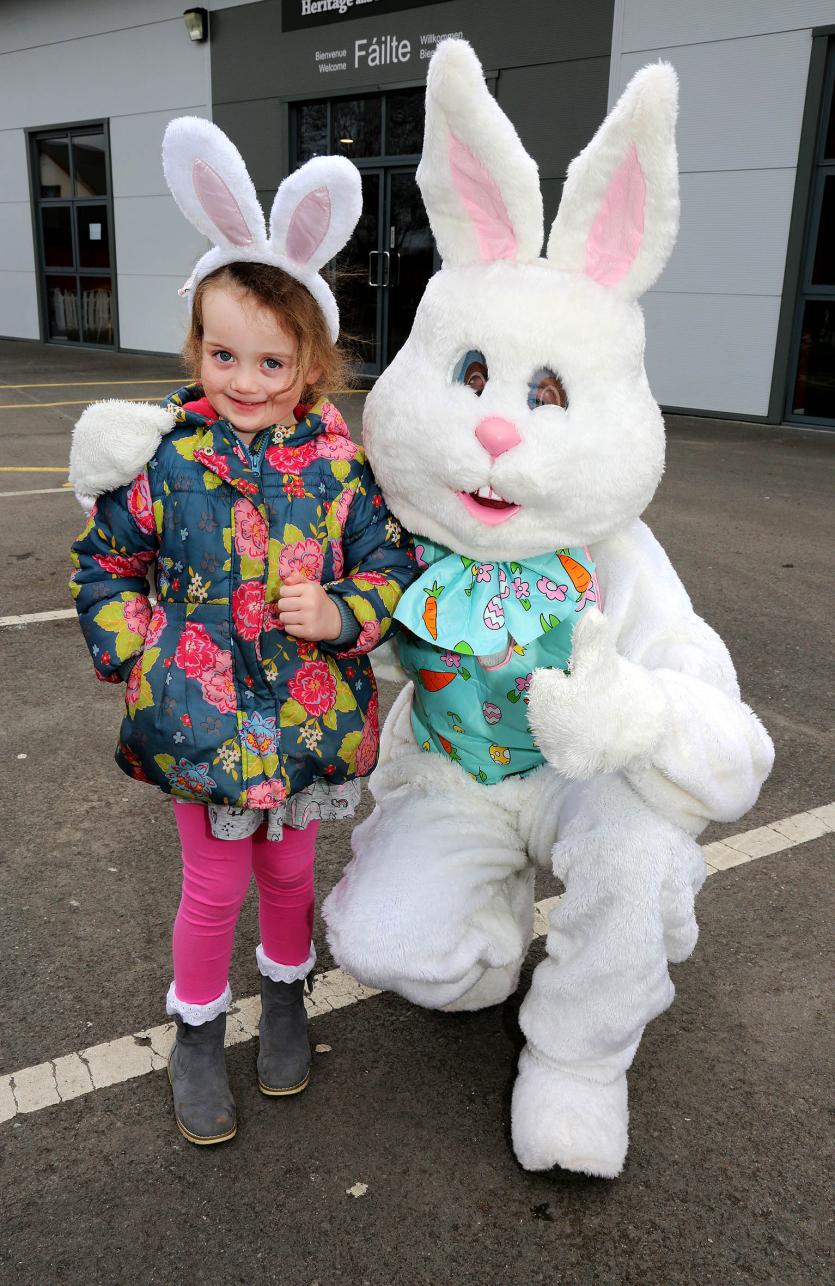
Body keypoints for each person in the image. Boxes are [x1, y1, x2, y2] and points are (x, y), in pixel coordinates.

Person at [68, 119, 415, 1145]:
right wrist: (144, 652)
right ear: (199, 348)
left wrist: (343, 613)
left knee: (291, 873)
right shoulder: (166, 458)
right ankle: (194, 1027)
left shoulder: (342, 469)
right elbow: (105, 562)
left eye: (271, 359)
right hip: (200, 724)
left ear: (311, 363)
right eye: (224, 353)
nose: (245, 379)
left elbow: (389, 567)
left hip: (308, 719)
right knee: (213, 882)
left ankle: (285, 993)